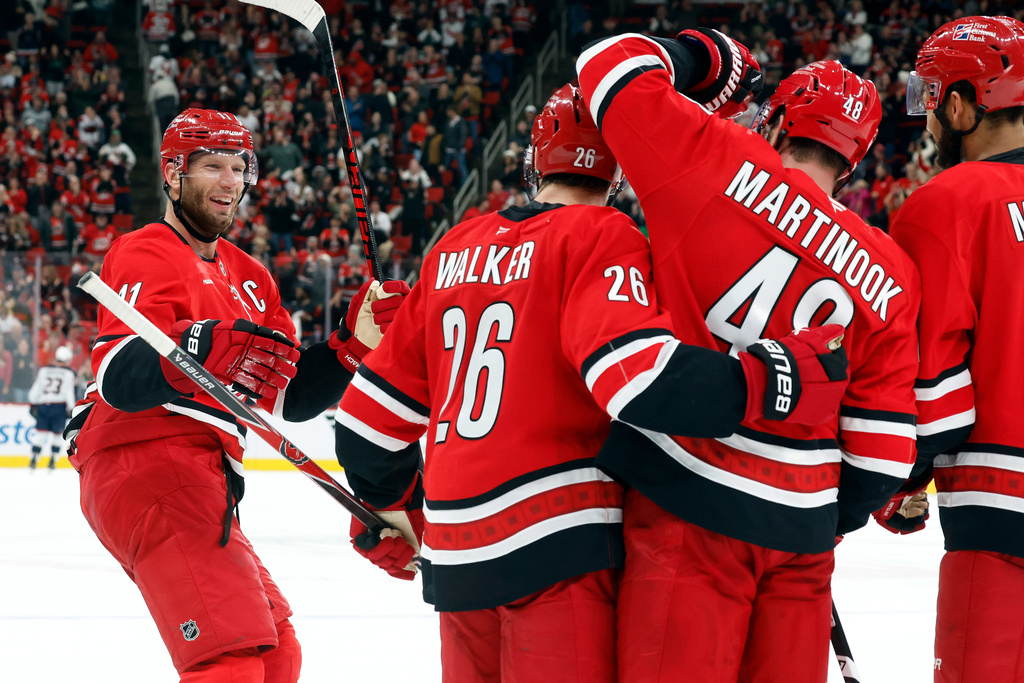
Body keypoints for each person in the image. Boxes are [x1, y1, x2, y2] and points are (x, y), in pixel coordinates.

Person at [333, 85, 849, 682]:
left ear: (535, 157)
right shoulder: (604, 236)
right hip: (559, 550)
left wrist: (392, 505)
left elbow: (365, 425)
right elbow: (641, 381)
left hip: (457, 562)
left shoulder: (453, 246)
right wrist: (772, 375)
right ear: (620, 169)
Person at [575, 30, 921, 681]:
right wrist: (814, 518)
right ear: (854, 161)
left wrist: (712, 57)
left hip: (685, 511)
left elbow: (606, 64)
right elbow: (883, 457)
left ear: (779, 121)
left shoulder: (717, 158)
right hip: (801, 541)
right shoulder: (892, 271)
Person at [65, 109, 409, 683]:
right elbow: (119, 378)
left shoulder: (252, 277)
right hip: (145, 456)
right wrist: (196, 347)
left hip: (205, 471)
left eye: (238, 168)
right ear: (173, 174)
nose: (230, 182)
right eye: (212, 167)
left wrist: (354, 344)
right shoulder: (144, 250)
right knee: (229, 663)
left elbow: (292, 397)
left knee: (277, 655)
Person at [886, 16, 1024, 683]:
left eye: (933, 101)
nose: (931, 122)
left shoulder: (945, 203)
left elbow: (932, 388)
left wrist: (898, 485)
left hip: (1001, 522)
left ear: (966, 103)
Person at [28, 345, 77, 470]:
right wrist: (72, 408)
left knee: (40, 435)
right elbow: (68, 392)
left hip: (43, 405)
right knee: (57, 435)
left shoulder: (44, 370)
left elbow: (36, 389)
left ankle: (34, 459)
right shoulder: (69, 373)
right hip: (58, 407)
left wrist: (33, 402)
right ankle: (53, 460)